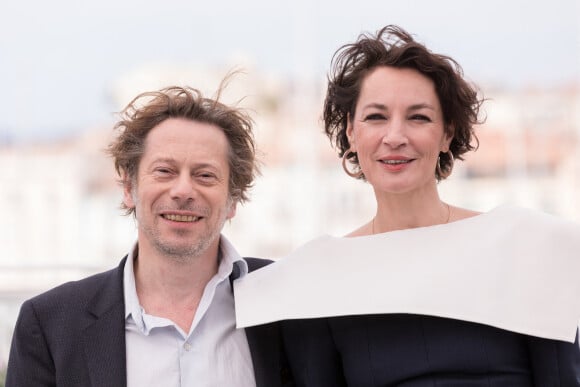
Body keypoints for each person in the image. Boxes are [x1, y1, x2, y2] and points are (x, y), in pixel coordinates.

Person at [233, 25, 580, 386]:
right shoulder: (319, 278)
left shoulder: (523, 246)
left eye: (418, 117)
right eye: (376, 117)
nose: (395, 137)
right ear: (351, 133)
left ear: (447, 133)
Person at [6, 85, 292, 387]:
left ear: (233, 199)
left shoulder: (287, 301)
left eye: (205, 175)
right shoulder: (50, 325)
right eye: (165, 171)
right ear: (129, 188)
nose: (183, 191)